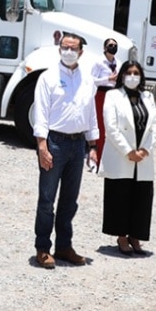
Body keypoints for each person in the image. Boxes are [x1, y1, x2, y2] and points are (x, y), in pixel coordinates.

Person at [32, 33, 99, 269]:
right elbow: (40, 113)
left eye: (73, 48)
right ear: (59, 49)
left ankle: (64, 246)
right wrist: (42, 145)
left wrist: (93, 145)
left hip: (78, 144)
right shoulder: (48, 77)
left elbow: (91, 113)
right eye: (65, 47)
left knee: (70, 200)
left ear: (81, 52)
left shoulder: (87, 79)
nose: (68, 52)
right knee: (47, 199)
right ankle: (42, 248)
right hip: (55, 142)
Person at [100, 61, 156, 255]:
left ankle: (136, 235)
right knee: (120, 196)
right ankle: (121, 236)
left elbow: (155, 125)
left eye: (136, 73)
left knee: (142, 197)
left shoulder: (148, 96)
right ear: (122, 75)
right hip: (121, 155)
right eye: (129, 73)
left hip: (143, 156)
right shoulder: (113, 96)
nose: (132, 76)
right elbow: (111, 127)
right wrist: (128, 151)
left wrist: (145, 150)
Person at [90, 38, 121, 155]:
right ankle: (98, 154)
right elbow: (92, 80)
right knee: (100, 125)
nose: (113, 47)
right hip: (101, 94)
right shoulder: (99, 62)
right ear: (104, 47)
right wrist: (108, 79)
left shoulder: (119, 63)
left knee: (114, 124)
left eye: (115, 45)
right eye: (110, 45)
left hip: (114, 95)